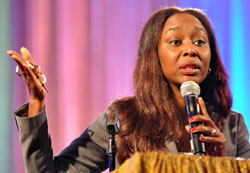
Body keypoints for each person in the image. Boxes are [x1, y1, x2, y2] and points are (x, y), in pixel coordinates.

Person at [7, 6, 250, 172]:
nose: (191, 49)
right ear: (154, 56)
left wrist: (220, 165)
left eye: (200, 41)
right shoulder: (123, 120)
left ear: (211, 60)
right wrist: (37, 102)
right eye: (176, 42)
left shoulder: (232, 126)